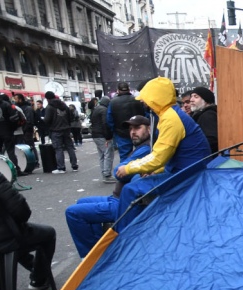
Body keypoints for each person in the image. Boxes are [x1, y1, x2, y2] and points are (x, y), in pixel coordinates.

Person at [115, 77, 211, 231]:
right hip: (187, 171)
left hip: (186, 176)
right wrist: (153, 170)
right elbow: (169, 155)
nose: (143, 102)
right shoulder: (171, 114)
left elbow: (158, 157)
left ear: (155, 98)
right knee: (137, 184)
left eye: (146, 99)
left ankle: (123, 237)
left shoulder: (170, 119)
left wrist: (128, 168)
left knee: (130, 190)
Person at [65, 115, 152, 257]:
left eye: (137, 128)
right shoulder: (140, 147)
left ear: (149, 129)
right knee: (82, 202)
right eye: (130, 129)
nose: (133, 132)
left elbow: (119, 173)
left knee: (73, 213)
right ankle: (99, 251)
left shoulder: (145, 149)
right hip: (118, 197)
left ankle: (90, 258)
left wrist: (125, 167)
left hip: (125, 204)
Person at [0, 170, 56, 290]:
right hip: (6, 238)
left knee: (14, 240)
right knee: (48, 234)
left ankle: (35, 269)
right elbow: (21, 211)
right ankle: (39, 278)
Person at [107, 82, 146, 160]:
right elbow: (145, 114)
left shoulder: (113, 102)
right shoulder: (137, 99)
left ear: (118, 90)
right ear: (129, 89)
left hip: (121, 133)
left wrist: (113, 131)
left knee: (125, 157)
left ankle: (126, 171)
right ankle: (141, 171)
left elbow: (109, 120)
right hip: (139, 130)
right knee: (142, 154)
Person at [43, 91, 78, 174]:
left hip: (55, 130)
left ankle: (61, 168)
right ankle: (74, 165)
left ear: (47, 98)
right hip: (66, 129)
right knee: (70, 147)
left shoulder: (49, 107)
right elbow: (71, 116)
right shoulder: (64, 105)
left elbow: (47, 120)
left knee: (58, 149)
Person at [12, 94, 40, 174]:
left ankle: (35, 161)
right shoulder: (20, 107)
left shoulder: (27, 108)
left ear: (20, 99)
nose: (15, 100)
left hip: (27, 130)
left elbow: (29, 120)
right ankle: (29, 161)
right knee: (26, 146)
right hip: (23, 130)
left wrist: (26, 129)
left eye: (16, 99)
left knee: (30, 146)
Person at [91, 96, 115, 183]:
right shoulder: (104, 110)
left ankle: (104, 173)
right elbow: (105, 123)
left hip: (95, 134)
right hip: (102, 135)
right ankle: (107, 174)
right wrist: (108, 137)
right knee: (108, 153)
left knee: (102, 155)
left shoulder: (96, 109)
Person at [187, 87, 218, 154]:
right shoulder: (201, 115)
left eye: (196, 97)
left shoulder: (208, 116)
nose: (191, 100)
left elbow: (211, 140)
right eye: (191, 96)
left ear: (206, 100)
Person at [0, 94, 19, 170]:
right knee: (10, 151)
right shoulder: (5, 104)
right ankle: (15, 169)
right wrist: (12, 128)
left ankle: (0, 170)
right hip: (7, 131)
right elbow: (14, 117)